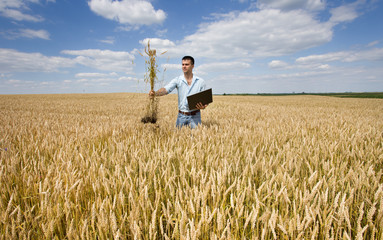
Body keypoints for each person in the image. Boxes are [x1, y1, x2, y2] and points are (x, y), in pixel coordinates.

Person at [149, 56, 208, 129]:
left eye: (186, 64)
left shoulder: (200, 82)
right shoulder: (177, 80)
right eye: (183, 64)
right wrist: (155, 93)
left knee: (196, 138)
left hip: (195, 116)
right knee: (178, 138)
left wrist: (203, 106)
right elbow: (166, 89)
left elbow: (205, 100)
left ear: (192, 66)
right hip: (181, 116)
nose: (184, 66)